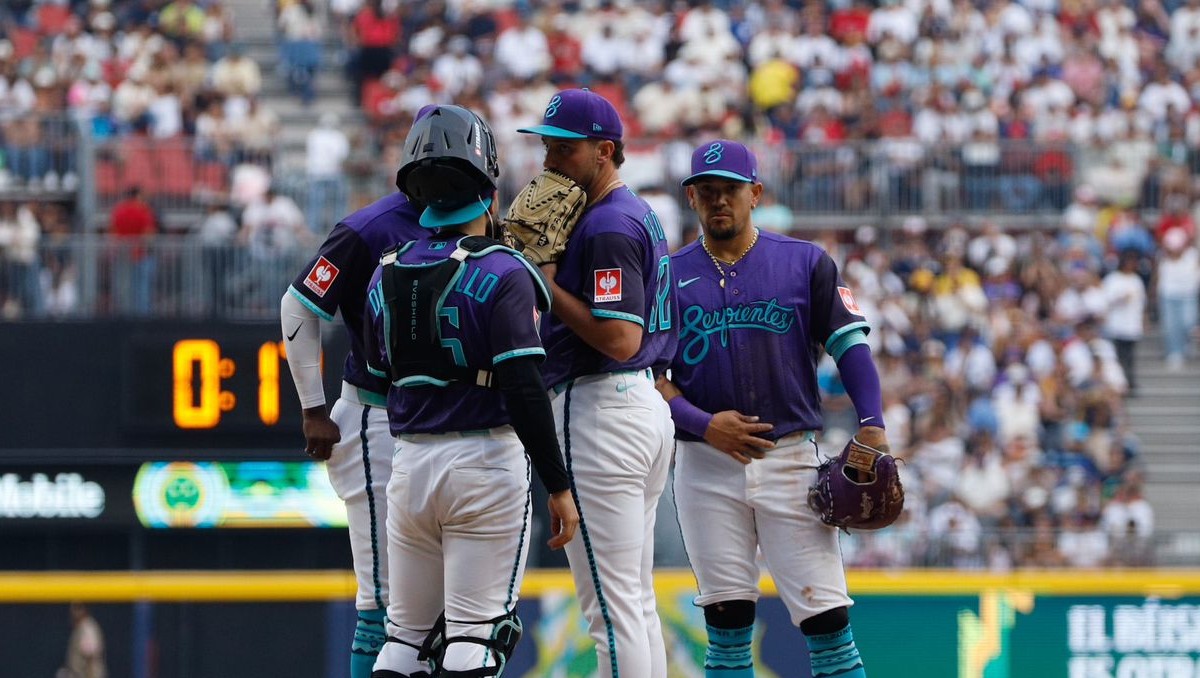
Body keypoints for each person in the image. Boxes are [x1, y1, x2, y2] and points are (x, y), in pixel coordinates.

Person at [656, 140, 888, 678]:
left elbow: (850, 344)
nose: (719, 201)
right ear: (691, 197)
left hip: (790, 459)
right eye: (707, 190)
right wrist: (702, 423)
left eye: (730, 190)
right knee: (727, 630)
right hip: (704, 464)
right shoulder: (666, 276)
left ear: (755, 193)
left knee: (829, 626)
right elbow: (651, 377)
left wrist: (873, 423)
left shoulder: (803, 262)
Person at [365, 104, 578, 678]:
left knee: (405, 639)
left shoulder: (385, 268)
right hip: (484, 459)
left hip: (409, 465)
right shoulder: (506, 271)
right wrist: (558, 485)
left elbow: (378, 372)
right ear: (488, 183)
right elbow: (524, 388)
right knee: (476, 637)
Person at [515, 88, 678, 678]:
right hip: (636, 407)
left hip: (603, 408)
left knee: (611, 613)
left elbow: (618, 339)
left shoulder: (608, 224)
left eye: (564, 150)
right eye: (546, 148)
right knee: (632, 604)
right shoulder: (632, 212)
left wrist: (541, 281)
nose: (549, 163)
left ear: (605, 150)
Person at [280, 110, 431, 678]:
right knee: (384, 606)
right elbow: (299, 305)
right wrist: (313, 408)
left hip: (446, 421)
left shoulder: (479, 221)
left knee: (439, 614)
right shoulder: (367, 228)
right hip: (376, 418)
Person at [108, 185, 157, 315]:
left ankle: (122, 316)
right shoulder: (143, 210)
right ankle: (142, 319)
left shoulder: (118, 210)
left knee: (122, 290)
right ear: (137, 196)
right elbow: (149, 235)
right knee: (142, 291)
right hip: (140, 256)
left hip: (121, 256)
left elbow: (112, 232)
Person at [57, 602, 106, 678]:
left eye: (78, 608)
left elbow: (90, 657)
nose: (73, 612)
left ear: (85, 610)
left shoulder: (88, 628)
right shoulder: (80, 627)